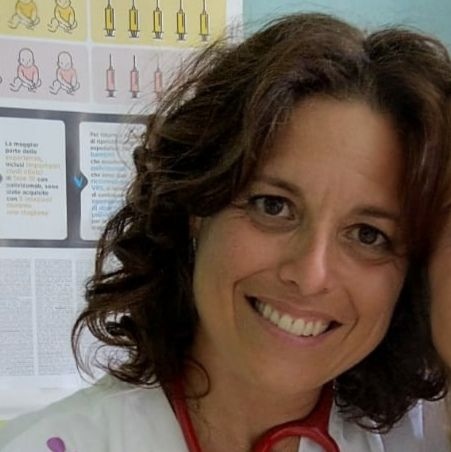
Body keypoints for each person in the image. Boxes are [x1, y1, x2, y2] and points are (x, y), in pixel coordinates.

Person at [1, 12, 451, 452]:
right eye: (273, 206)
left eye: (368, 235)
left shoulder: (419, 439)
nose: (310, 275)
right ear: (197, 207)